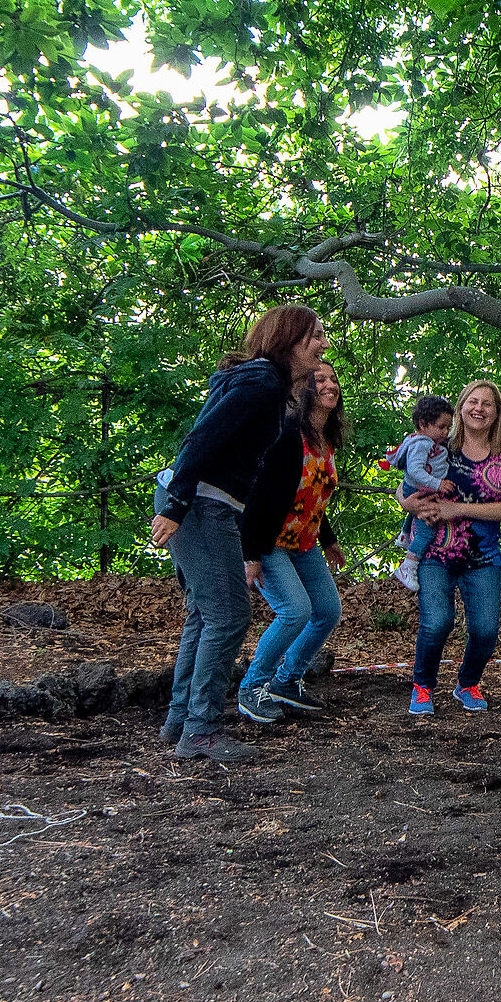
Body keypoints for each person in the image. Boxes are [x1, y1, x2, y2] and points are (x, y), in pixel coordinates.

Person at [151, 305, 330, 763]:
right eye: (316, 337)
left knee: (204, 616)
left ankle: (180, 722)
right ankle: (201, 731)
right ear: (290, 340)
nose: (324, 345)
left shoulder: (262, 382)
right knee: (229, 616)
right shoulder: (261, 382)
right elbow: (202, 438)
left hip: (210, 505)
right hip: (200, 505)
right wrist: (176, 505)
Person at [235, 360, 349, 726]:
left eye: (333, 379)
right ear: (303, 390)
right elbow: (259, 498)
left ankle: (286, 680)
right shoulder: (288, 436)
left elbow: (311, 497)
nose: (329, 385)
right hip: (269, 542)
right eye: (320, 380)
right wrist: (249, 554)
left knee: (328, 610)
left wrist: (328, 541)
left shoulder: (326, 439)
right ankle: (252, 687)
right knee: (295, 610)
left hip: (305, 543)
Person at [402, 379, 501, 716]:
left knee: (486, 630)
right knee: (437, 622)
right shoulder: (439, 447)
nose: (478, 409)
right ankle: (423, 687)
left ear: (496, 413)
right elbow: (404, 486)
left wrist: (457, 509)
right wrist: (408, 503)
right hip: (436, 553)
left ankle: (466, 684)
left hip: (483, 555)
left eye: (487, 404)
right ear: (460, 407)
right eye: (473, 401)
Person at [384, 395, 456, 592]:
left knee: (414, 512)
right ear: (423, 424)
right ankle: (409, 564)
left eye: (448, 427)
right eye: (441, 427)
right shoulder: (423, 444)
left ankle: (405, 534)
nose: (445, 432)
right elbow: (415, 470)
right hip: (420, 489)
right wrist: (438, 484)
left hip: (414, 488)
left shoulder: (420, 441)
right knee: (427, 529)